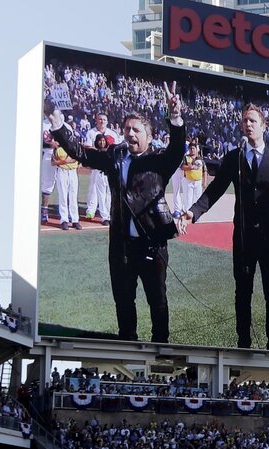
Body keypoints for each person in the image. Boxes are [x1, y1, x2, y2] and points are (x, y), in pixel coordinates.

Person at [48, 81, 186, 342]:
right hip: (121, 246)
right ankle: (127, 345)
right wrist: (58, 126)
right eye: (127, 129)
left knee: (158, 301)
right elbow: (81, 153)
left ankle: (161, 347)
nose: (130, 134)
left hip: (152, 246)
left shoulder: (159, 162)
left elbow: (178, 148)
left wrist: (175, 116)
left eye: (136, 130)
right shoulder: (115, 157)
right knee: (123, 302)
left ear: (149, 135)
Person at [180, 104, 269, 350]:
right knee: (242, 294)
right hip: (242, 239)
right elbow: (215, 189)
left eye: (253, 121)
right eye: (245, 121)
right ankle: (243, 343)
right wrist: (194, 211)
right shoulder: (234, 158)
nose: (248, 124)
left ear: (263, 126)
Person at [84, 113, 122, 223]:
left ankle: (107, 213)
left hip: (109, 165)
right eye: (100, 119)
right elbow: (87, 146)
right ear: (96, 120)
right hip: (96, 164)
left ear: (107, 121)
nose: (102, 121)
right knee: (93, 189)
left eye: (104, 119)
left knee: (108, 191)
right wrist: (100, 151)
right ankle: (91, 210)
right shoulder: (91, 132)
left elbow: (118, 147)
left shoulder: (112, 133)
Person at [181, 143, 207, 210]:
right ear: (189, 149)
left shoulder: (200, 159)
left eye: (193, 148)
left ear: (196, 149)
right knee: (188, 200)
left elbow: (205, 171)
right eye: (191, 148)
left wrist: (205, 182)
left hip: (198, 181)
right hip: (188, 181)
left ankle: (196, 217)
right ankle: (187, 214)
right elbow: (182, 167)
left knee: (197, 200)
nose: (192, 150)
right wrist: (191, 167)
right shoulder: (186, 158)